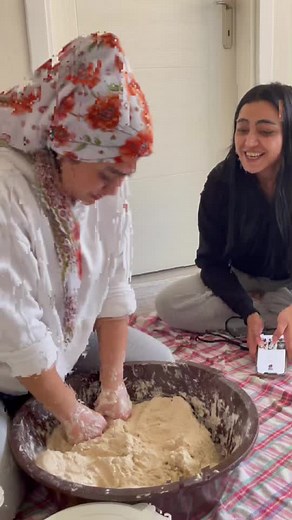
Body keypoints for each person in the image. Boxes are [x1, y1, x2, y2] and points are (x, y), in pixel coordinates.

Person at [0, 32, 174, 519]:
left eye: (125, 177)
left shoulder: (108, 188)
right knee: (2, 497)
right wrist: (72, 412)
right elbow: (18, 333)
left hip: (64, 347)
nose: (116, 189)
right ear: (66, 148)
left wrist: (113, 384)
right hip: (7, 367)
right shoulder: (6, 191)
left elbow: (116, 285)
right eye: (107, 175)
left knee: (163, 365)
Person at [156, 82, 292, 363]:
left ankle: (279, 312)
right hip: (242, 278)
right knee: (169, 303)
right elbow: (212, 263)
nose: (249, 142)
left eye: (265, 131)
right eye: (242, 129)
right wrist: (247, 311)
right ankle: (268, 317)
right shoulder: (221, 182)